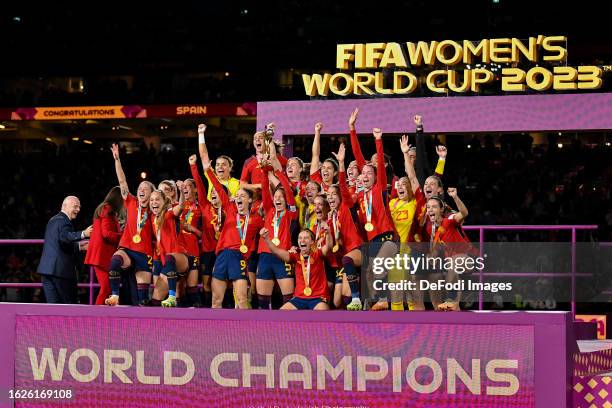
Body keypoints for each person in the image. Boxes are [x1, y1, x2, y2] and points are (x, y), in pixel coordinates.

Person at [106, 144, 155, 306]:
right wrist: (117, 160)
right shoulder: (131, 201)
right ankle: (114, 295)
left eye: (146, 189)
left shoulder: (155, 210)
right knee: (114, 262)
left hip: (144, 254)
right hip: (127, 248)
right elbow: (122, 180)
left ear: (151, 193)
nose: (141, 190)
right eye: (140, 188)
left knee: (142, 300)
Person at [38, 196, 92, 304]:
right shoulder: (64, 221)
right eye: (75, 206)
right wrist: (83, 234)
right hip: (60, 272)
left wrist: (80, 247)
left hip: (46, 271)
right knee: (68, 306)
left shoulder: (53, 220)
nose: (78, 210)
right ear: (65, 206)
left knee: (53, 307)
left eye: (79, 207)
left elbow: (61, 243)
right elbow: (65, 237)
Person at [261, 227, 331, 311]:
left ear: (312, 242)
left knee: (322, 312)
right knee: (281, 314)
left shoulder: (318, 255)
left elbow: (328, 246)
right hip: (299, 298)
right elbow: (275, 250)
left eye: (306, 238)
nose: (302, 240)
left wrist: (328, 234)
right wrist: (266, 239)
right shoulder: (295, 257)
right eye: (300, 238)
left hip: (318, 298)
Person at [84, 187, 124, 305]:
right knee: (106, 288)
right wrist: (123, 236)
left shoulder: (107, 209)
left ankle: (102, 316)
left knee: (109, 288)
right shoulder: (107, 208)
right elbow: (106, 233)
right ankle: (95, 316)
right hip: (101, 254)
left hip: (102, 254)